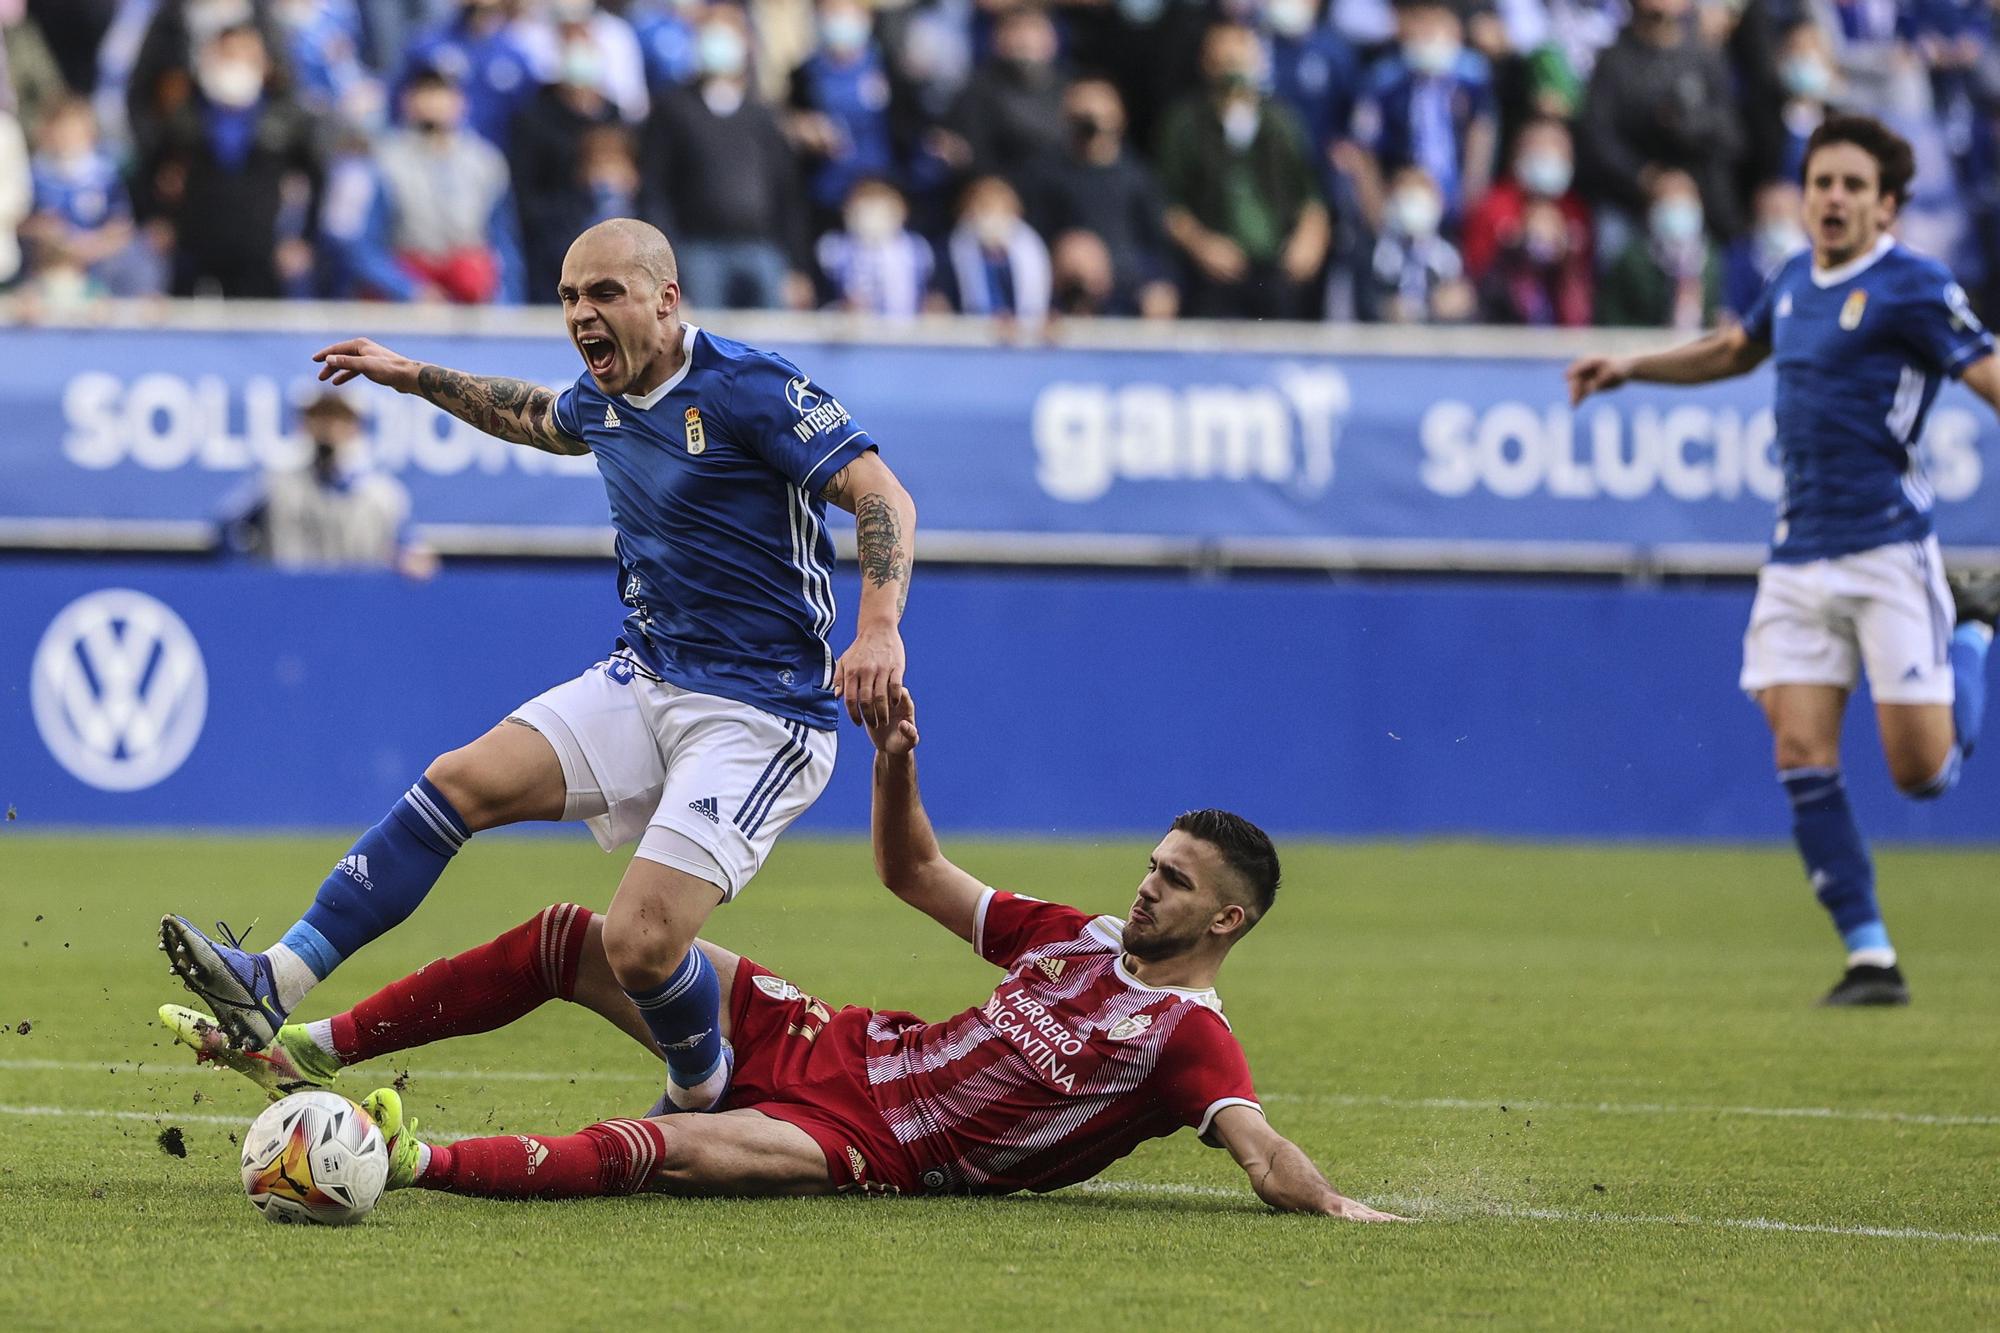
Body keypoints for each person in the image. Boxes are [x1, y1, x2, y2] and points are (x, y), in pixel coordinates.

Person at [162, 219, 919, 1132]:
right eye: (568, 296)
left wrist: (878, 629)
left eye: (605, 293)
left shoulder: (750, 389)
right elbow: (530, 414)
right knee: (459, 781)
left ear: (666, 300)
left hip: (759, 714)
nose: (581, 313)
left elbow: (882, 493)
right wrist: (416, 377)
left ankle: (700, 1093)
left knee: (640, 946)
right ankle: (272, 978)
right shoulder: (603, 401)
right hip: (647, 677)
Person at [163, 688, 1404, 1220]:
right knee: (575, 939)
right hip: (828, 1040)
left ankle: (397, 1158)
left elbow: (1260, 1149)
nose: (1144, 886)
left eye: (1173, 883)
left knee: (672, 1149)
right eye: (1150, 863)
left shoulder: (1187, 1039)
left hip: (868, 1147)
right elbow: (915, 874)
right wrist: (896, 762)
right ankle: (309, 1040)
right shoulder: (1076, 939)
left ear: (1225, 921)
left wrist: (1341, 1206)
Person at [1566, 116, 2000, 1006]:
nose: (1832, 198)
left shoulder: (1915, 285)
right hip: (1798, 558)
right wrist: (1632, 368)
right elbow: (1734, 348)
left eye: (1852, 185)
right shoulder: (1796, 277)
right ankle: (1870, 954)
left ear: (1887, 204)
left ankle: (1976, 633)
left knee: (1921, 773)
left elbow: (1986, 369)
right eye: (1820, 182)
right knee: (1800, 747)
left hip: (1887, 549)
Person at [222, 390, 437, 576]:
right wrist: (251, 579)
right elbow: (227, 524)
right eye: (319, 417)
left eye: (338, 418)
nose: (328, 427)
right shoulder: (274, 485)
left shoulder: (383, 495)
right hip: (287, 605)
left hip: (359, 607)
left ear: (355, 427)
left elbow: (414, 551)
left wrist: (410, 560)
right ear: (304, 425)